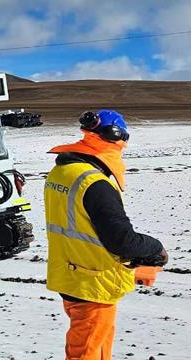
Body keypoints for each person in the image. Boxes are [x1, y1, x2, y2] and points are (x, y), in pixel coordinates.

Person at [44, 110, 168, 360]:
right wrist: (155, 249)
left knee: (98, 349)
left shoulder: (62, 171)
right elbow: (122, 240)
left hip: (71, 274)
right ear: (116, 138)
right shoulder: (95, 182)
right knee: (86, 353)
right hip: (93, 282)